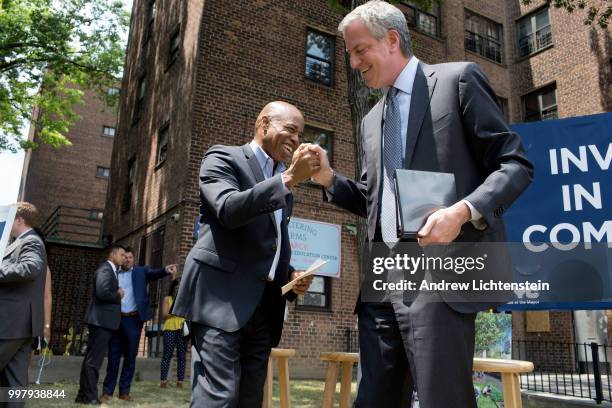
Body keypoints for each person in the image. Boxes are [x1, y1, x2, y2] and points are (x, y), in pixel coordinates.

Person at [308, 2, 534, 407]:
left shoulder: (457, 81)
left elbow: (515, 164)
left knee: (440, 398)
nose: (354, 62)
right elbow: (375, 201)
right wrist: (327, 178)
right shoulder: (370, 119)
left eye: (360, 50)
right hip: (383, 275)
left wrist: (462, 211)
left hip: (442, 270)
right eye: (349, 54)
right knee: (373, 400)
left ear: (392, 39)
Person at [172, 101, 317, 407]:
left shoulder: (282, 182)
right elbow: (228, 209)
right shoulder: (223, 157)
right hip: (220, 299)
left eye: (300, 134)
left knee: (250, 397)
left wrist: (290, 274)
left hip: (264, 307)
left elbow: (270, 242)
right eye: (290, 130)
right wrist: (288, 180)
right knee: (219, 396)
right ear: (263, 124)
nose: (296, 139)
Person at [101, 247, 177, 401]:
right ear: (121, 259)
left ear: (133, 259)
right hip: (116, 319)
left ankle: (124, 392)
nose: (127, 260)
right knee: (114, 356)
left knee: (130, 357)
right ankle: (107, 392)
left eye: (130, 257)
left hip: (134, 320)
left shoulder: (141, 272)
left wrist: (165, 270)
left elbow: (154, 273)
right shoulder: (114, 272)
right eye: (125, 257)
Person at [0, 202, 47, 408]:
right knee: (14, 384)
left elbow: (30, 267)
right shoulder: (24, 241)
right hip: (20, 324)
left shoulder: (31, 242)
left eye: (10, 219)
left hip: (11, 323)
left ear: (19, 220)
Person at [75, 244, 126, 405]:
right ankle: (90, 396)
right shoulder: (105, 270)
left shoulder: (111, 270)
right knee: (94, 361)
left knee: (91, 359)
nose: (124, 258)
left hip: (103, 322)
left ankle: (83, 395)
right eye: (122, 255)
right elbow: (102, 292)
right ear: (112, 255)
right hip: (101, 322)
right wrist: (118, 294)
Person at [159, 279, 186, 389]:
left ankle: (180, 382)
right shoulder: (167, 299)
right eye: (177, 287)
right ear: (173, 288)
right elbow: (164, 315)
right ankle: (163, 381)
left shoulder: (186, 300)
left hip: (182, 328)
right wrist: (176, 310)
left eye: (181, 287)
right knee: (167, 355)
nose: (179, 289)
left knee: (182, 356)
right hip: (170, 328)